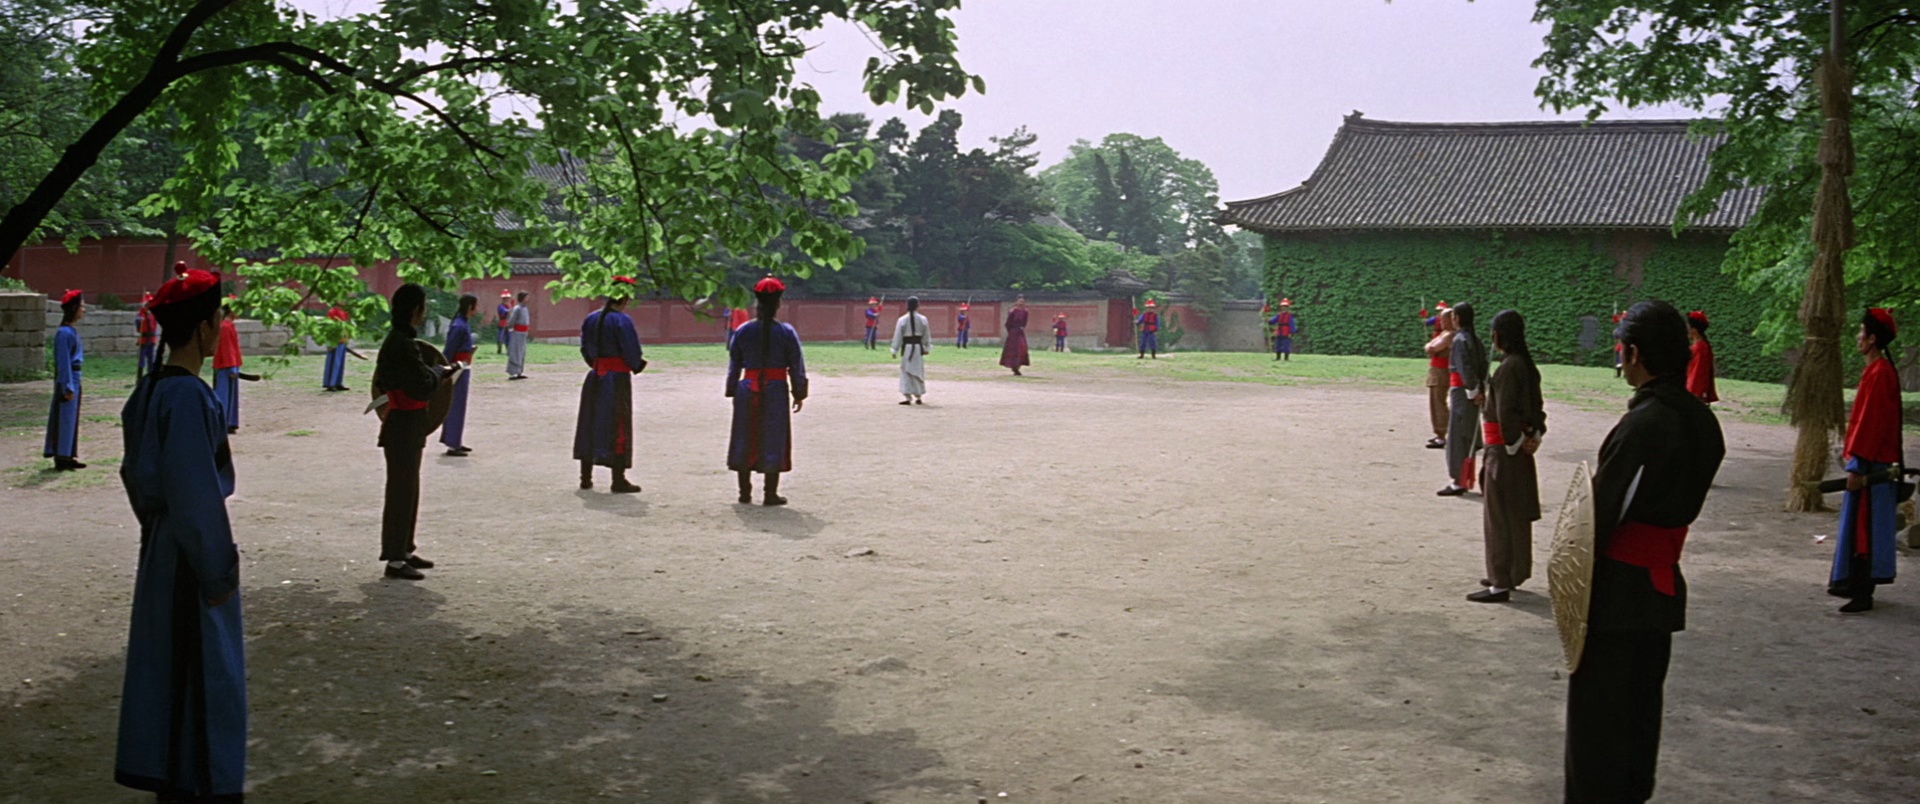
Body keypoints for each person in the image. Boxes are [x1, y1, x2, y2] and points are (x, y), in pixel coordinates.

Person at [1564, 299, 1724, 804]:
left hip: (1617, 592)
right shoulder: (1704, 423)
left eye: (1622, 349)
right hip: (1659, 590)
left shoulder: (1645, 424)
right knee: (1639, 714)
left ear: (1634, 353)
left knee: (1598, 724)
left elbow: (1599, 515)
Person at [114, 266, 248, 803]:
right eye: (217, 318)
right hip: (187, 554)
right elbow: (195, 494)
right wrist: (218, 570)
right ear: (202, 327)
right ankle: (196, 780)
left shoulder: (148, 391)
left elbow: (134, 475)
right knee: (202, 668)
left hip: (160, 545)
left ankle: (171, 772)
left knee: (164, 664)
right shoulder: (189, 396)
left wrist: (157, 527)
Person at [374, 283, 453, 580]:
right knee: (401, 490)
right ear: (415, 310)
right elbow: (421, 385)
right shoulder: (401, 343)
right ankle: (395, 559)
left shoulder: (401, 340)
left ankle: (404, 549)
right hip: (403, 423)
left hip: (408, 423)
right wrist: (440, 372)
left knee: (409, 488)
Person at [1827, 308, 1903, 614]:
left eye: (1862, 332)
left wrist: (1857, 465)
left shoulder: (1880, 373)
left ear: (1872, 339)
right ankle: (1854, 584)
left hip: (1873, 465)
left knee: (1865, 530)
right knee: (1860, 526)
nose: (1858, 337)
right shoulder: (1875, 371)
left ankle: (1862, 592)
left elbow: (1871, 424)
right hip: (1869, 461)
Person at [1468, 309, 1546, 603]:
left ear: (1498, 336)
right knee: (1516, 514)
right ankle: (1513, 571)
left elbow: (1505, 413)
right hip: (1517, 449)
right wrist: (1533, 436)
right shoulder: (1526, 366)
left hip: (1502, 452)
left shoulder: (1507, 368)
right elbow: (1537, 408)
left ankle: (1500, 581)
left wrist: (1515, 441)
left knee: (1499, 516)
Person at [728, 276, 809, 505]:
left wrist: (732, 389)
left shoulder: (743, 331)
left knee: (745, 436)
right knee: (774, 437)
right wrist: (799, 392)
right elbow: (796, 365)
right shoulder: (786, 332)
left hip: (747, 388)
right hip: (775, 389)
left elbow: (734, 364)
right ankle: (770, 493)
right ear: (778, 303)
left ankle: (744, 492)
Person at [574, 278, 647, 492]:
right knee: (618, 425)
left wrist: (596, 364)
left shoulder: (591, 318)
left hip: (596, 376)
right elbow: (631, 350)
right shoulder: (622, 321)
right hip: (617, 380)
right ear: (624, 298)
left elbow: (585, 349)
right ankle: (618, 479)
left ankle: (585, 477)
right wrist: (637, 365)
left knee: (590, 423)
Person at [1439, 303, 1488, 496]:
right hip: (1472, 391)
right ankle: (1464, 477)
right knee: (1467, 432)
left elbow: (1464, 369)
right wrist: (1480, 390)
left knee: (1458, 435)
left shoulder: (1460, 340)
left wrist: (1473, 391)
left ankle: (1459, 480)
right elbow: (1483, 368)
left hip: (1462, 392)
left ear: (1457, 318)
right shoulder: (1476, 340)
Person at [45, 289, 85, 471]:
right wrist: (67, 386)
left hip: (75, 377)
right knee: (65, 418)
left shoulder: (71, 332)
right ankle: (61, 456)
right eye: (81, 306)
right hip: (68, 379)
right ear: (74, 308)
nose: (83, 310)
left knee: (71, 418)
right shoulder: (63, 333)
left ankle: (68, 454)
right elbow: (63, 363)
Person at [441, 294, 478, 456]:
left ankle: (455, 440)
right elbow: (449, 350)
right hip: (457, 368)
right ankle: (452, 443)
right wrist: (446, 368)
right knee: (455, 405)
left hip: (464, 367)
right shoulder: (459, 326)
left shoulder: (463, 324)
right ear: (470, 307)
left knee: (459, 405)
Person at [1422, 302, 1454, 449]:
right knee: (1437, 402)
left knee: (1438, 403)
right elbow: (1430, 346)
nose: (1440, 321)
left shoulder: (1449, 334)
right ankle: (1441, 433)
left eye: (1443, 318)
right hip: (1437, 370)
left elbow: (1433, 347)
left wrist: (1430, 347)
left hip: (1441, 371)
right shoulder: (1444, 333)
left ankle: (1442, 434)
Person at [892, 296, 932, 405]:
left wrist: (895, 350)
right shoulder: (923, 319)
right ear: (918, 306)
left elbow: (898, 336)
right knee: (917, 371)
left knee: (906, 371)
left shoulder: (902, 320)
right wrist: (926, 347)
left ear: (907, 305)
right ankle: (918, 396)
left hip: (907, 349)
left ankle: (908, 397)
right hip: (918, 348)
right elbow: (926, 335)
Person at [212, 300, 243, 435]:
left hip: (230, 364)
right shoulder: (225, 327)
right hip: (226, 365)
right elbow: (227, 348)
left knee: (230, 396)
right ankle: (222, 422)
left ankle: (230, 422)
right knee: (223, 395)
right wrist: (232, 367)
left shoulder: (228, 326)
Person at [1684, 311, 1717, 403]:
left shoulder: (1700, 348)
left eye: (1688, 327)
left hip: (1695, 395)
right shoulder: (1702, 346)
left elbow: (1697, 374)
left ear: (1694, 330)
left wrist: (1690, 394)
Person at [322, 305, 353, 392]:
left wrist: (348, 337)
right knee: (333, 362)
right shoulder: (333, 311)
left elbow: (347, 326)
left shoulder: (345, 312)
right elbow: (329, 327)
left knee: (340, 362)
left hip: (343, 340)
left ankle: (338, 382)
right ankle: (331, 384)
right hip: (334, 340)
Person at [1000, 295, 1031, 376]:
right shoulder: (1012, 311)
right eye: (1020, 301)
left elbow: (1025, 322)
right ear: (1016, 302)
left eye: (1023, 302)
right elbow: (1008, 323)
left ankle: (1018, 366)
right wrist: (1011, 332)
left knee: (1022, 349)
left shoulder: (1025, 312)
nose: (1021, 303)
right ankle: (1014, 367)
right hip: (1013, 333)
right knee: (1013, 350)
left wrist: (1021, 328)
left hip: (1020, 332)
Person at [505, 291, 531, 379]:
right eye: (526, 297)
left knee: (522, 352)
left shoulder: (525, 308)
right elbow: (512, 321)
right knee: (515, 352)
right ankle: (513, 372)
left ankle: (520, 371)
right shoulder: (517, 308)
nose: (528, 299)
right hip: (517, 333)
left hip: (524, 333)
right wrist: (511, 329)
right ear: (522, 298)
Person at [135, 292, 159, 382]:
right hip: (144, 340)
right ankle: (139, 378)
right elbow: (138, 326)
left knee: (151, 359)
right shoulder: (141, 314)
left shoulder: (153, 314)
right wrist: (139, 321)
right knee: (141, 359)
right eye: (148, 303)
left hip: (151, 340)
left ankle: (150, 376)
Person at [495, 290, 512, 354]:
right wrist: (509, 310)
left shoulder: (509, 306)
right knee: (500, 337)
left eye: (508, 298)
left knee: (508, 337)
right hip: (502, 323)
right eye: (505, 298)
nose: (507, 300)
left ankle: (508, 350)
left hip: (508, 323)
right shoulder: (500, 306)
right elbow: (505, 312)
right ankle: (499, 349)